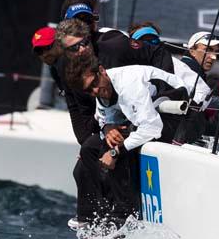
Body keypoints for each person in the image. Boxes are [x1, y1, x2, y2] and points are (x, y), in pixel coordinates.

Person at [64, 52, 198, 222]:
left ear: (102, 70)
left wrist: (114, 152)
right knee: (89, 149)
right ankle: (95, 214)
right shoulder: (102, 89)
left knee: (120, 147)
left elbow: (152, 128)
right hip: (147, 119)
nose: (95, 91)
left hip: (177, 115)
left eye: (95, 84)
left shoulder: (129, 85)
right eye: (89, 90)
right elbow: (105, 119)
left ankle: (125, 214)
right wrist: (108, 129)